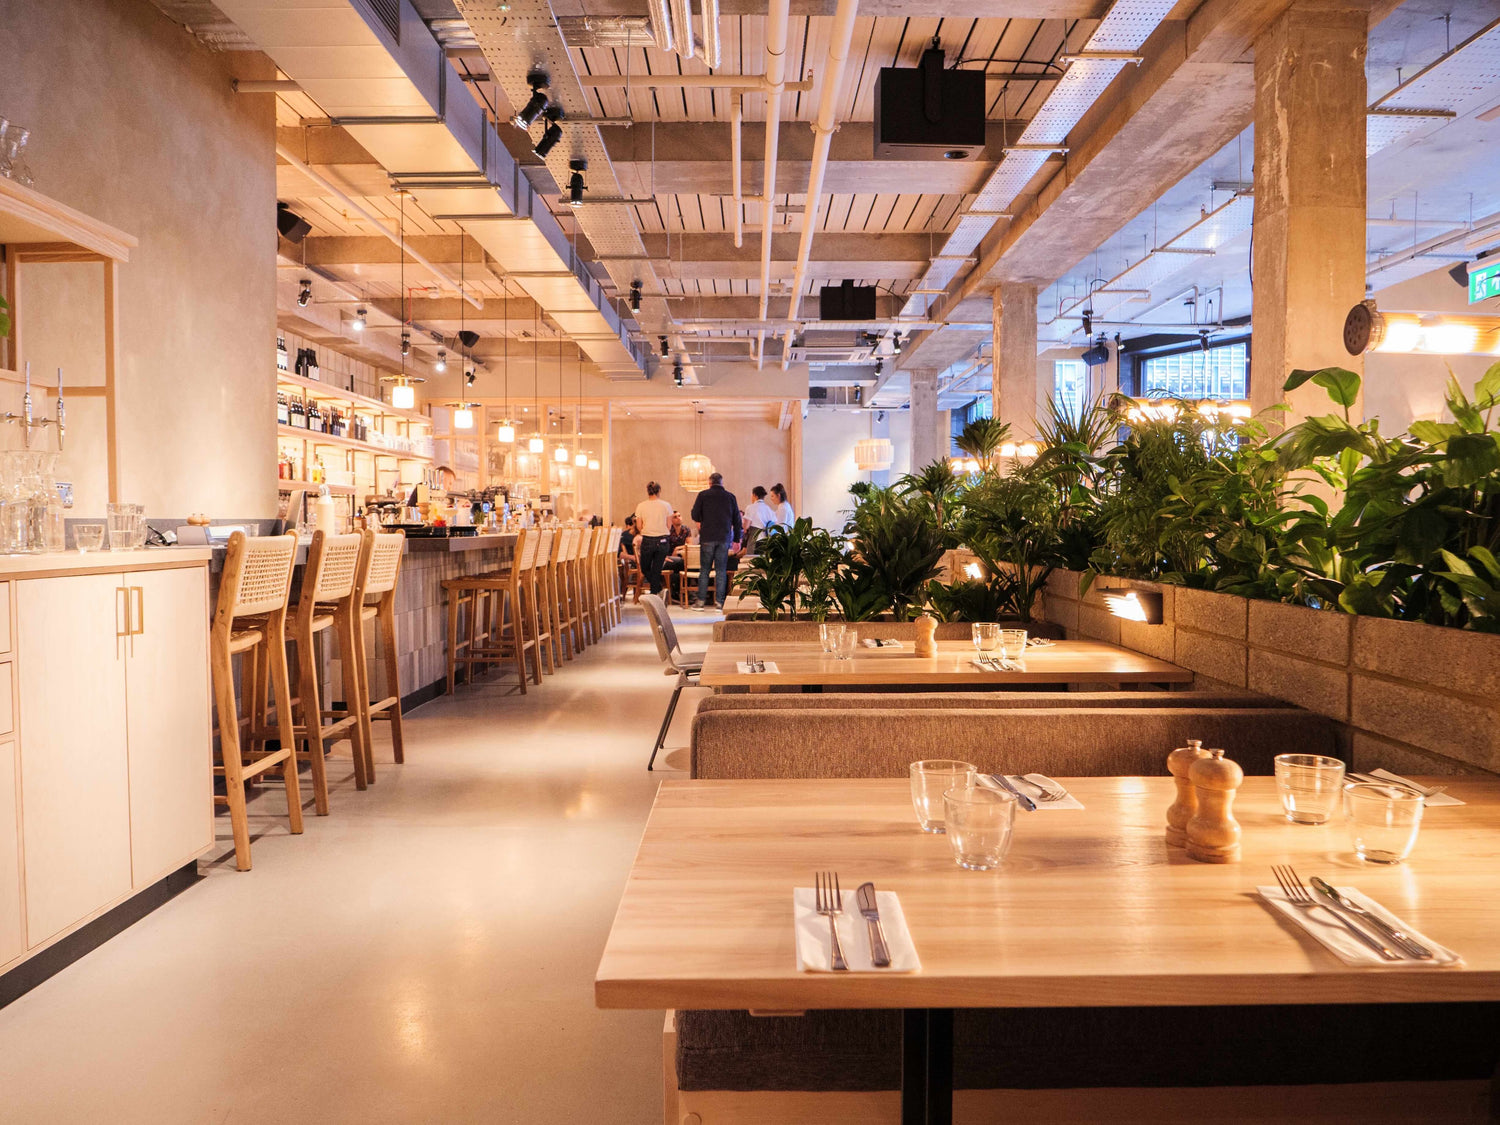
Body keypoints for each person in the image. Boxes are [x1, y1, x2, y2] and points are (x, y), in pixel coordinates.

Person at [690, 472, 741, 609]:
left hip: (707, 537)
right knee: (721, 570)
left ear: (709, 482)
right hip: (724, 538)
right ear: (722, 483)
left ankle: (700, 602)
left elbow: (694, 514)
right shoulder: (730, 497)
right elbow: (737, 519)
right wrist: (737, 539)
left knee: (705, 570)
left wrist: (703, 518)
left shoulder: (703, 495)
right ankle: (720, 602)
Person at [633, 481, 674, 596]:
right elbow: (669, 526)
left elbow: (639, 526)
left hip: (648, 539)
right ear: (659, 491)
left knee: (645, 568)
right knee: (656, 569)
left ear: (648, 492)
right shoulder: (666, 505)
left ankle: (655, 593)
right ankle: (658, 591)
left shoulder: (641, 506)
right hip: (663, 540)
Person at [744, 485, 776, 553]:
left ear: (754, 495)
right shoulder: (769, 509)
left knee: (753, 561)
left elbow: (746, 526)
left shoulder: (750, 508)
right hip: (766, 540)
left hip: (755, 540)